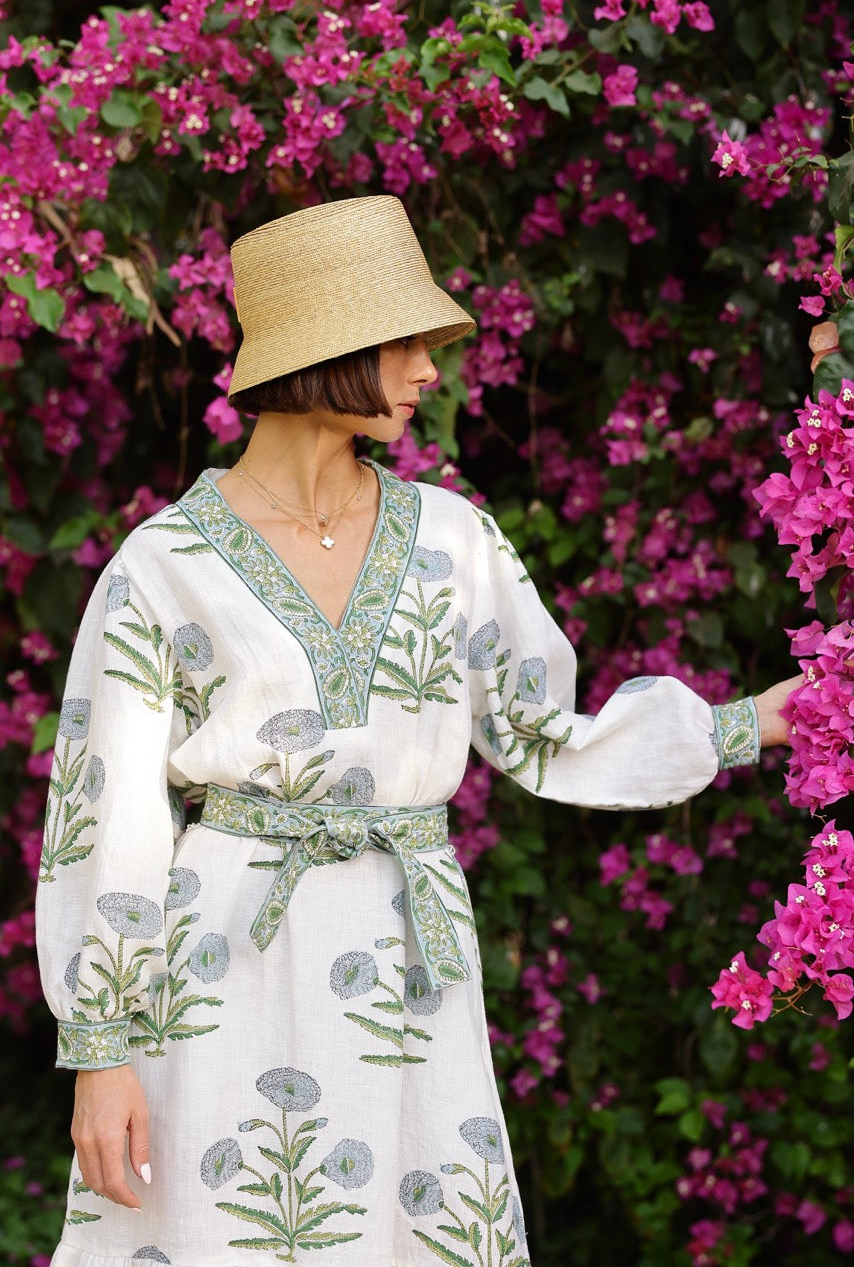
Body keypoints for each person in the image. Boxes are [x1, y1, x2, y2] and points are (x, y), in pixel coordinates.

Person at [36, 195, 798, 1267]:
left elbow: (542, 735)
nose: (431, 370)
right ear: (325, 345)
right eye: (405, 340)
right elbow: (104, 816)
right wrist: (101, 1050)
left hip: (405, 961)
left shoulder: (452, 541)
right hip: (214, 969)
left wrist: (751, 722)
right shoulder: (162, 567)